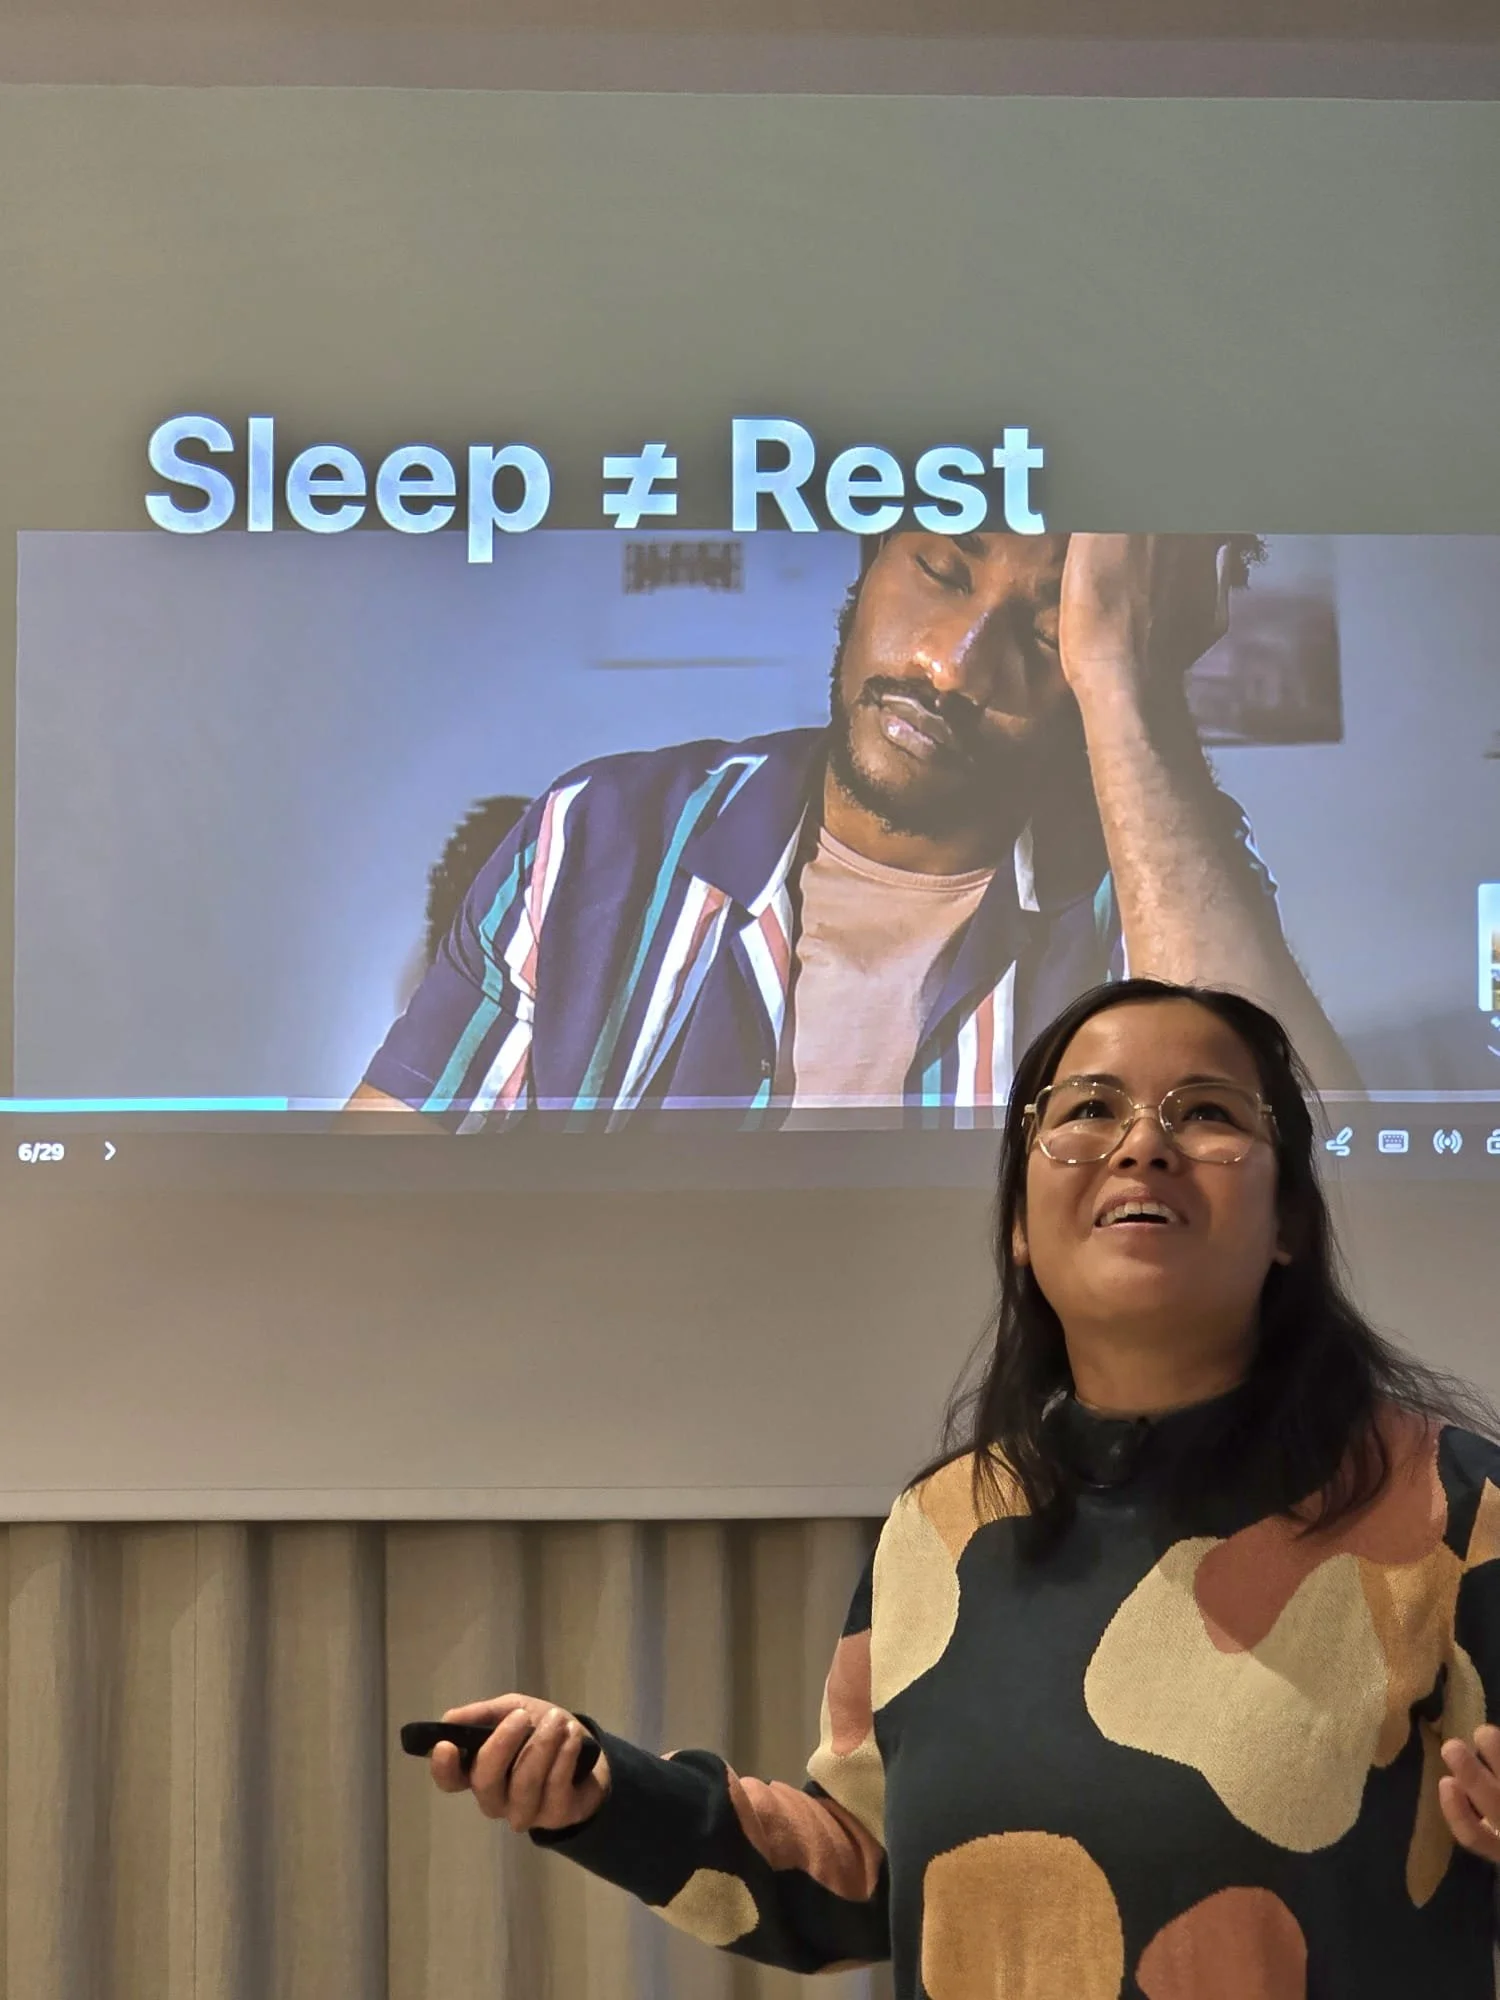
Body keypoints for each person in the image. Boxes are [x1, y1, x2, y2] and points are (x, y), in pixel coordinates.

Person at [423, 979, 1500, 1997]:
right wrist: (606, 1796)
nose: (1143, 1143)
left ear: (1288, 1226)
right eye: (1088, 1108)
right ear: (1022, 1228)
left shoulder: (1454, 1509)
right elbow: (858, 1879)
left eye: (1207, 1112)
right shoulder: (938, 1524)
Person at [349, 532, 1355, 1130]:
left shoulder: (1147, 888)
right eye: (942, 570)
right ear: (870, 559)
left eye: (1048, 632)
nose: (951, 666)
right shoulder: (595, 837)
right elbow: (359, 1211)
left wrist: (1131, 690)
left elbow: (1326, 1191)